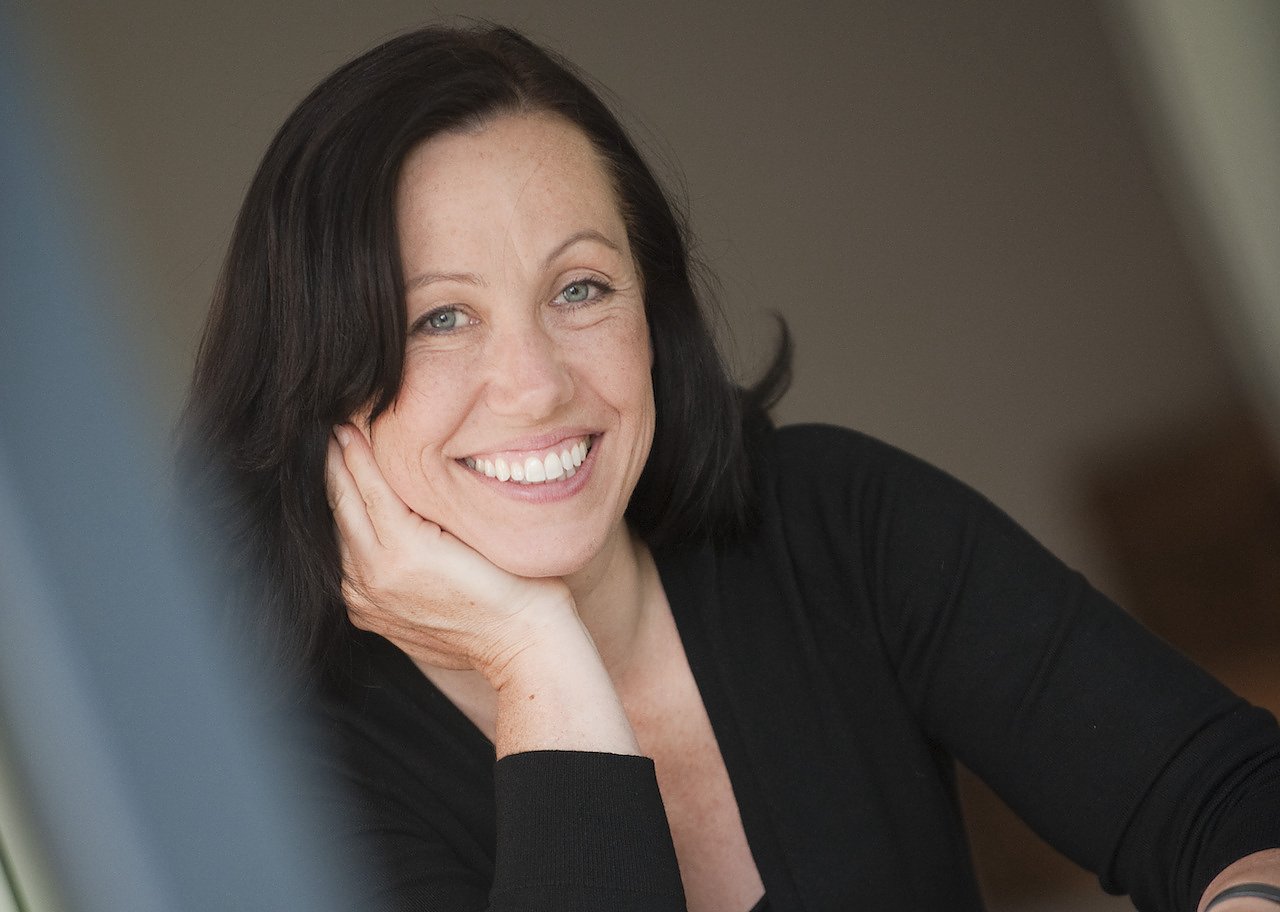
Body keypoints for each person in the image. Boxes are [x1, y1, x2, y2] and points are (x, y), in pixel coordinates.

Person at [182, 23, 1280, 912]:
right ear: (315, 382)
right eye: (440, 318)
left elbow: (1225, 800)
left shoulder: (827, 525)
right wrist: (538, 662)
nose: (535, 385)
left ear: (651, 315)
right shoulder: (290, 793)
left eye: (579, 289)